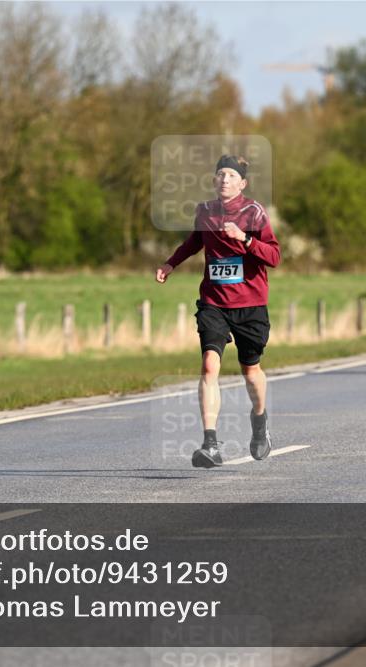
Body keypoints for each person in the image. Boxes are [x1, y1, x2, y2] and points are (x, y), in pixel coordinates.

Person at [156, 155, 281, 468]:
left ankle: (259, 421)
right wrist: (171, 263)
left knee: (251, 371)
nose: (224, 179)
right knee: (209, 366)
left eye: (230, 175)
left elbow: (274, 256)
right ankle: (210, 443)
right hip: (214, 302)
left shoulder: (254, 212)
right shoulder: (206, 211)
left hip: (250, 304)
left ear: (242, 183)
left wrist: (246, 240)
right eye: (220, 174)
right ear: (214, 181)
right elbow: (194, 242)